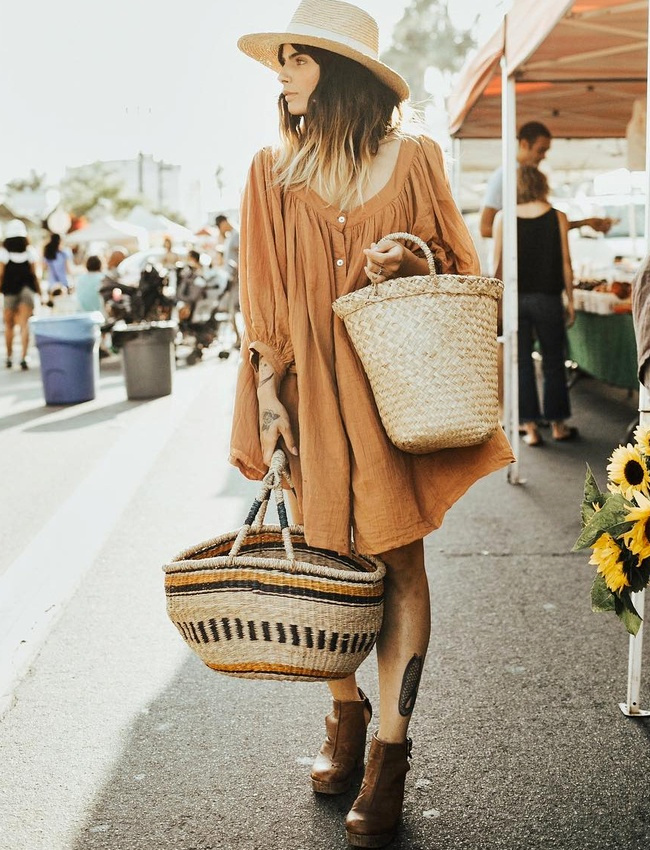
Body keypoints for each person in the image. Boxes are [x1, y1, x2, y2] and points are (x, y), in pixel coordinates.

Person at [231, 2, 514, 846]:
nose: (280, 76)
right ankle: (344, 716)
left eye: (296, 60)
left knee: (397, 564)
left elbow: (461, 266)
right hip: (310, 388)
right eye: (281, 61)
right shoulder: (270, 171)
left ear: (339, 71)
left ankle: (390, 752)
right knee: (330, 567)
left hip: (395, 389)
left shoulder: (418, 158)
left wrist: (411, 256)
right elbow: (263, 301)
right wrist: (269, 397)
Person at [493, 166, 577, 446]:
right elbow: (566, 263)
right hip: (549, 298)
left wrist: (498, 305)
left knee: (522, 363)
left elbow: (498, 267)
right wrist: (571, 299)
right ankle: (557, 425)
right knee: (554, 361)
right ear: (542, 184)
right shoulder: (558, 216)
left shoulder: (503, 218)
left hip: (517, 298)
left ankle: (529, 428)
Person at [479, 121, 614, 239]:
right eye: (541, 150)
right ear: (524, 144)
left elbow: (547, 224)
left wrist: (586, 222)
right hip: (513, 265)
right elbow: (485, 229)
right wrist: (529, 233)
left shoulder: (534, 179)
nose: (544, 157)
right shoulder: (504, 177)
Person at [0, 219, 41, 370]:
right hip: (27, 290)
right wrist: (41, 294)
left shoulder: (4, 253)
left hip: (9, 291)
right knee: (25, 325)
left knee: (9, 325)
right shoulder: (30, 252)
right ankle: (24, 357)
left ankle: (9, 356)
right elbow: (35, 274)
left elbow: (1, 274)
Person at [215, 214, 241, 348]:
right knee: (232, 311)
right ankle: (238, 338)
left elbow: (241, 253)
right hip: (231, 279)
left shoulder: (237, 234)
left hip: (236, 279)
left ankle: (240, 338)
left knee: (235, 310)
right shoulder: (231, 236)